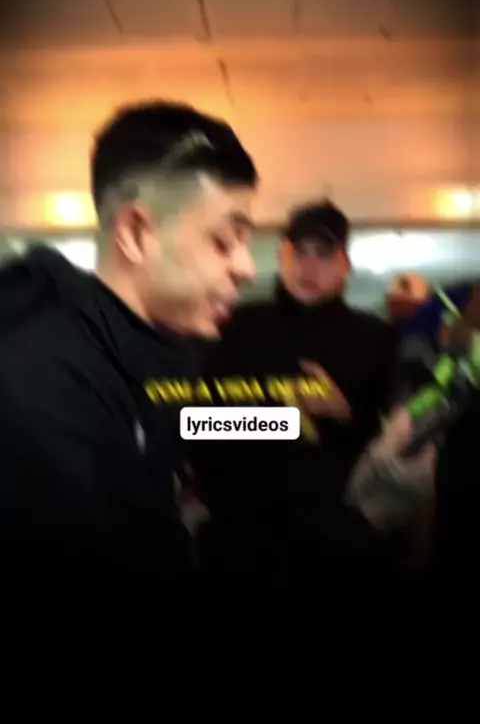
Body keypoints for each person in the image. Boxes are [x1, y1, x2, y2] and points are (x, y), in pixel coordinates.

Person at [0, 100, 258, 606]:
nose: (246, 267)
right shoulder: (42, 386)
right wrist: (367, 514)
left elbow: (188, 417)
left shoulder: (157, 341)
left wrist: (291, 418)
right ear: (137, 234)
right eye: (224, 241)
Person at [191, 200, 401, 601]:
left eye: (323, 254)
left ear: (345, 265)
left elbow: (394, 446)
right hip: (239, 543)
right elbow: (195, 423)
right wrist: (280, 420)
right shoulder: (237, 327)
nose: (309, 266)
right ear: (282, 256)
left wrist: (344, 412)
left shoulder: (376, 337)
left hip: (337, 551)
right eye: (298, 252)